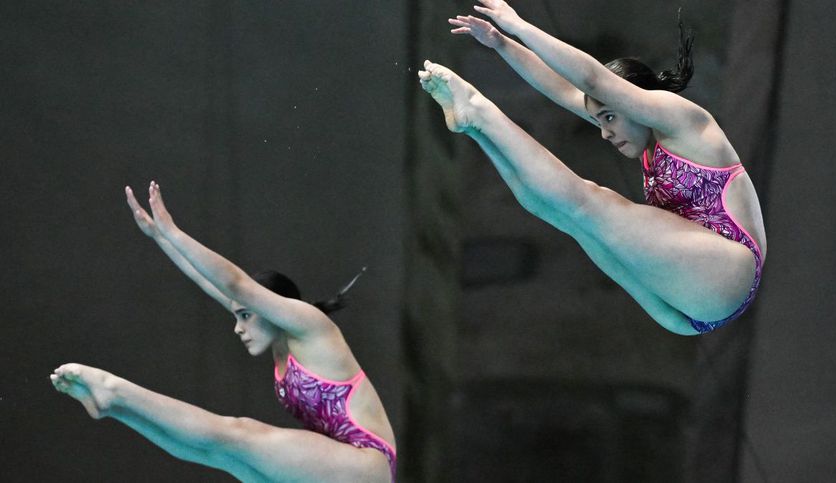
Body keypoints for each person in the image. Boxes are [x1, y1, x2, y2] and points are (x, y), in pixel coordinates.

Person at [419, 0, 766, 335]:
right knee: (558, 213)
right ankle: (475, 127)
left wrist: (517, 24)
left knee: (588, 201)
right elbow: (564, 90)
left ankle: (480, 108)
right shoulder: (643, 134)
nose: (604, 132)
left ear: (632, 98)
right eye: (600, 120)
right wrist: (501, 43)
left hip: (729, 271)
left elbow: (593, 81)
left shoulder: (683, 121)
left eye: (610, 117)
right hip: (686, 311)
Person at [50, 181, 396, 482]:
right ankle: (113, 407)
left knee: (239, 433)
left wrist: (173, 231)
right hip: (336, 465)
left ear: (270, 307)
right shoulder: (278, 339)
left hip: (365, 463)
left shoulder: (310, 327)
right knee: (219, 455)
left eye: (245, 316)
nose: (238, 328)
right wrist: (160, 238)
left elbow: (236, 283)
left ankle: (115, 391)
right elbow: (211, 283)